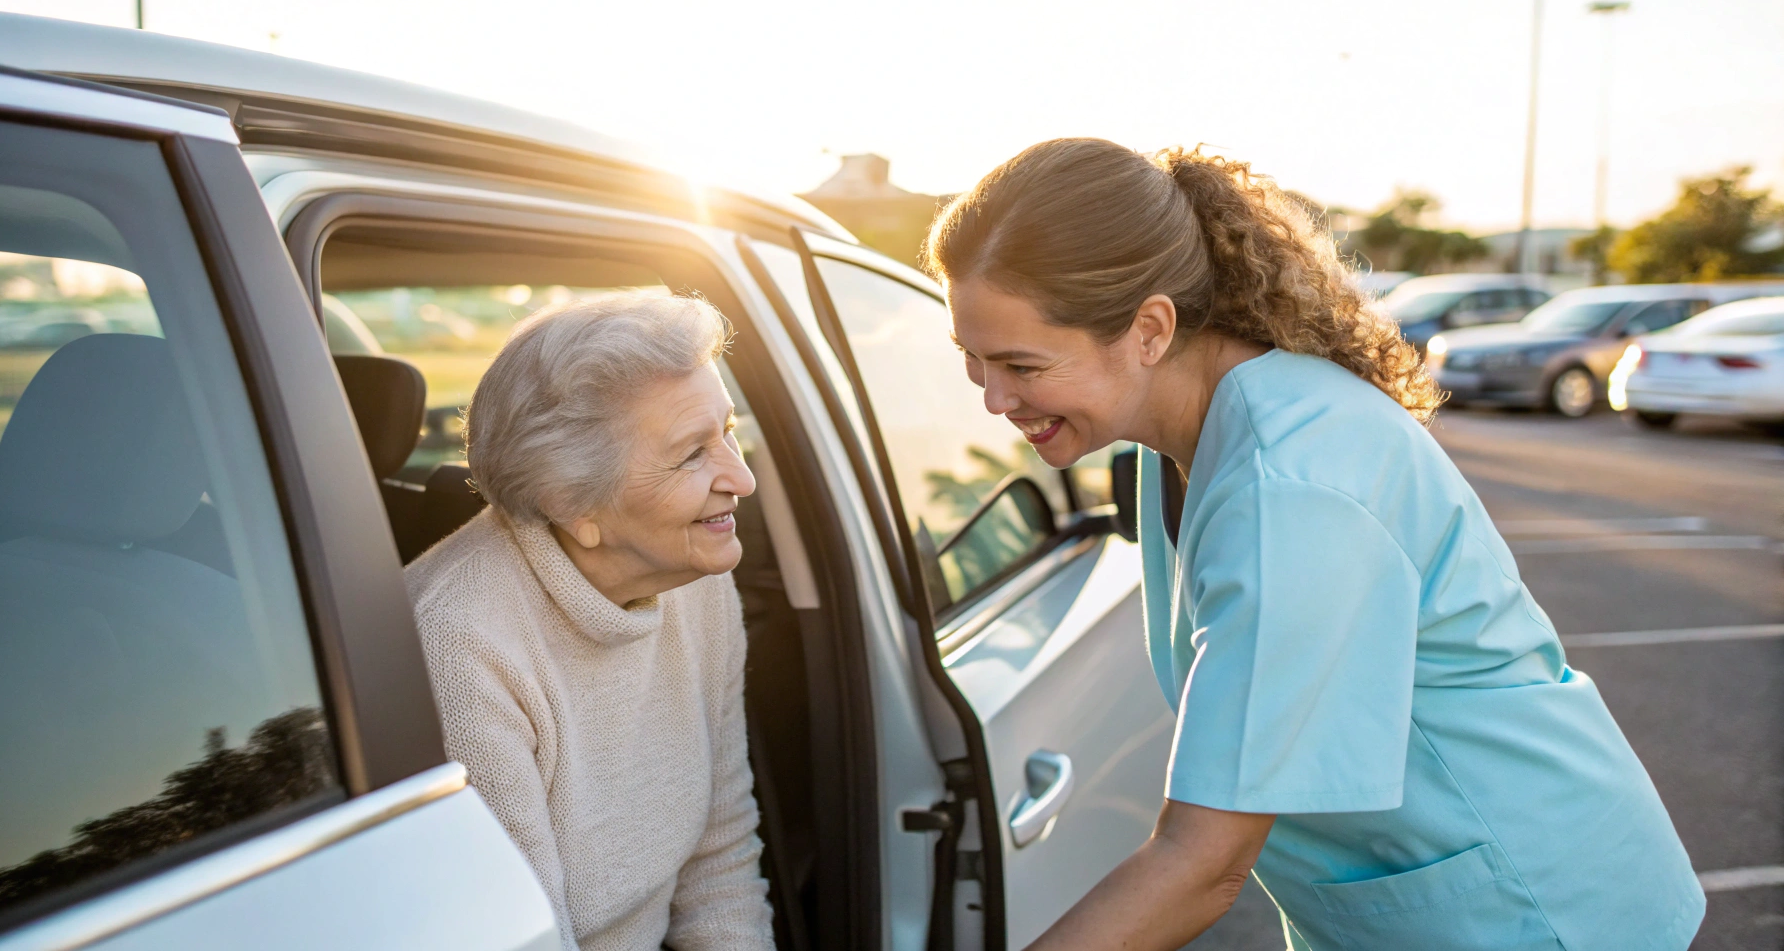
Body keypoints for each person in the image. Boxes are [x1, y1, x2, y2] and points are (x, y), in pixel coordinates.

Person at [926, 139, 1703, 951]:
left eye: (1021, 364)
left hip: (1535, 910)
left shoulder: (1290, 487)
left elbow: (1203, 863)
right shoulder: (1178, 434)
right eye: (972, 360)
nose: (994, 398)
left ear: (1150, 328)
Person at [406, 291, 775, 951]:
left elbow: (719, 857)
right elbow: (523, 939)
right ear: (571, 500)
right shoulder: (460, 647)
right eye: (693, 453)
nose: (741, 478)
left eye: (729, 433)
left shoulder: (693, 579)